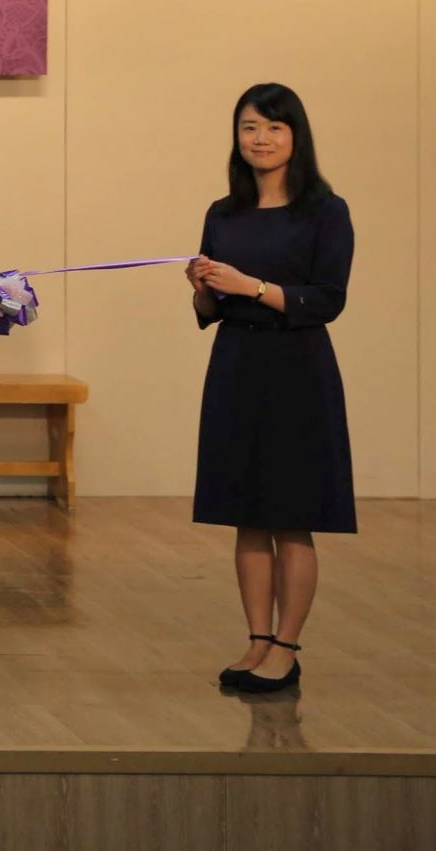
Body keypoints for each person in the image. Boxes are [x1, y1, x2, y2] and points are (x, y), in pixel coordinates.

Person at [188, 83, 354, 694]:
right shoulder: (222, 212)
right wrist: (203, 288)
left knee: (291, 515)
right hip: (237, 362)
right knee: (247, 516)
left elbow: (328, 299)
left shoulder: (325, 211)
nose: (260, 139)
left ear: (296, 135)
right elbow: (211, 309)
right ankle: (257, 639)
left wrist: (252, 286)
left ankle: (287, 645)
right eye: (249, 127)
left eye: (274, 128)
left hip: (297, 368)